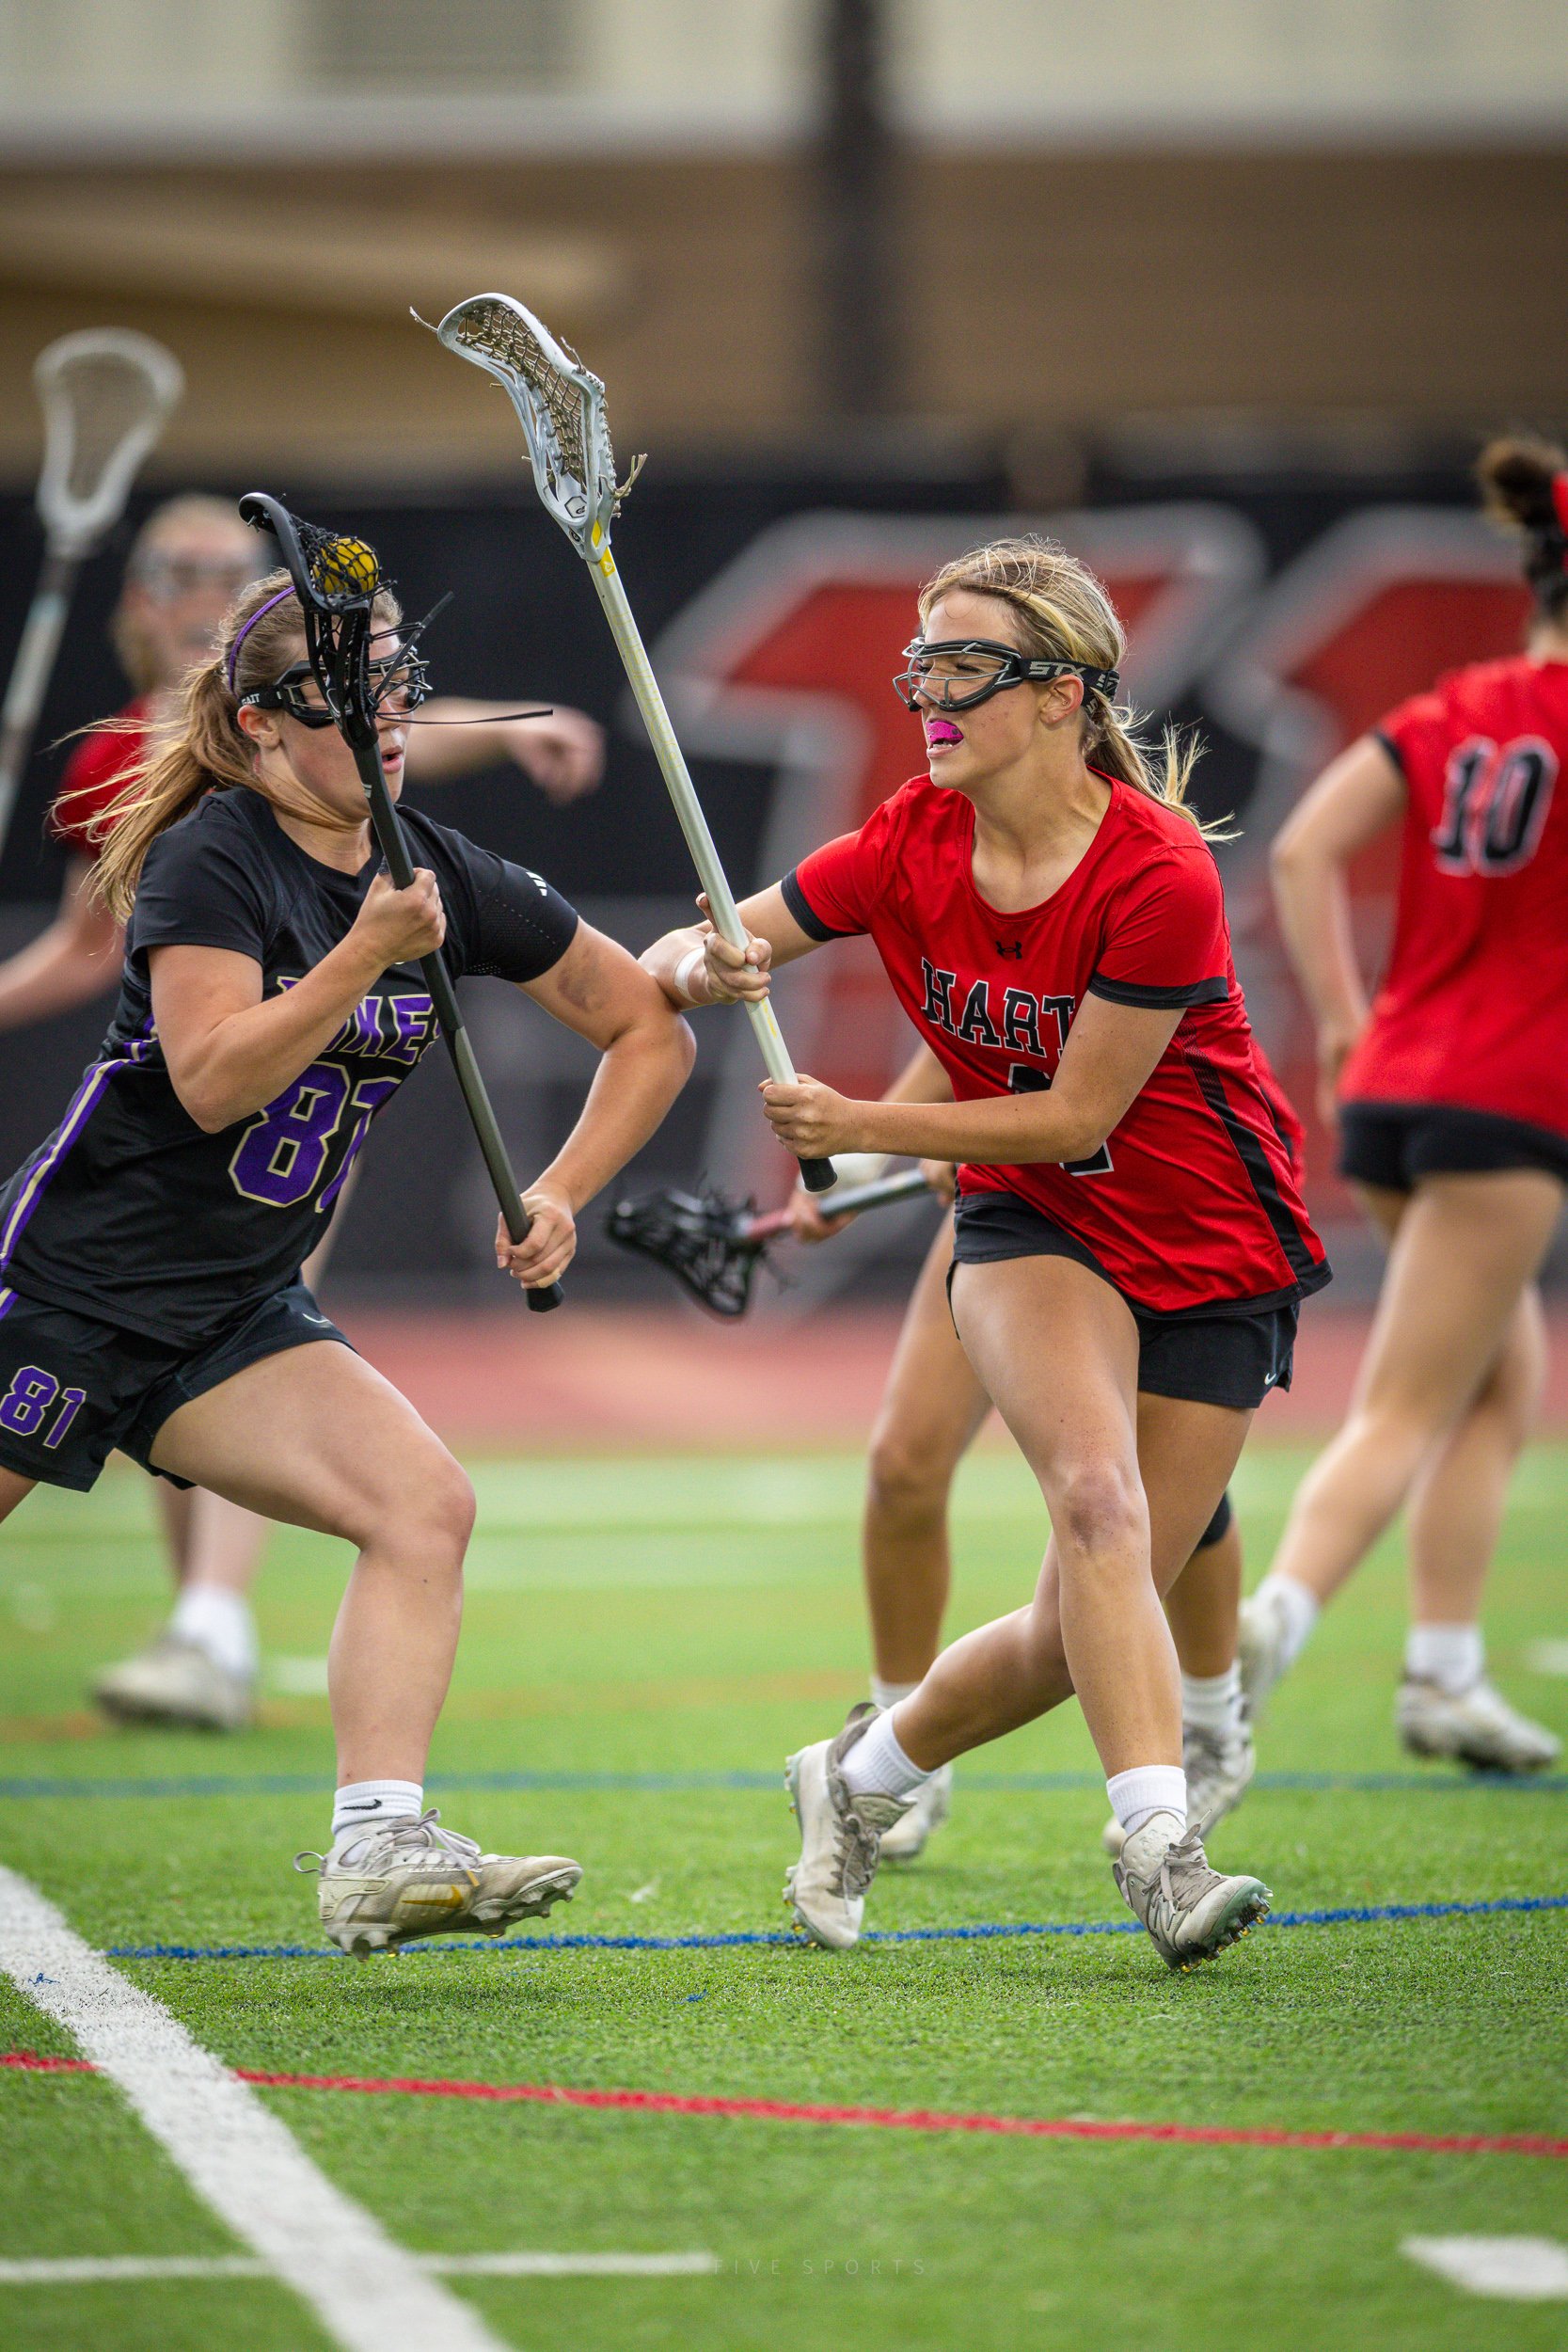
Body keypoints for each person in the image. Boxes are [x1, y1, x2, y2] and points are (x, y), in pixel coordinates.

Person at [645, 534, 1329, 1971]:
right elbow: (691, 953)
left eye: (962, 667)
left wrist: (858, 1127)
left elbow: (1078, 1113)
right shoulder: (901, 839)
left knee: (1070, 1623)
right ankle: (1158, 1848)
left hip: (1209, 1236)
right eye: (920, 666)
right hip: (1035, 1224)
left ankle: (858, 1776)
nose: (927, 699)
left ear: (1063, 693)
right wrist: (705, 963)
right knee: (1095, 1504)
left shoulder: (1156, 872)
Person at [0, 567, 692, 1953]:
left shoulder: (436, 869)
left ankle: (377, 1844)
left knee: (422, 1506)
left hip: (232, 1310)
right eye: (344, 697)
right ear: (261, 723)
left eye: (396, 688)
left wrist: (560, 1189)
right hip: (74, 1283)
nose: (384, 721)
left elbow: (645, 1029)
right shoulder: (212, 857)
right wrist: (360, 956)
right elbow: (210, 1082)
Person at [1241, 437, 1568, 1773]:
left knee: (1498, 1379)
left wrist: (1339, 1019)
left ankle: (1441, 1672)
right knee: (1406, 1405)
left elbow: (1302, 846)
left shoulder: (1455, 707)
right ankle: (1269, 1622)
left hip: (1389, 1087)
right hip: (1510, 1100)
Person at [790, 1038, 1304, 1865]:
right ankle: (887, 1758)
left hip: (1175, 1189)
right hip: (1025, 1200)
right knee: (904, 1463)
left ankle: (1211, 1723)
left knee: (1142, 1494)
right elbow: (965, 1009)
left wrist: (906, 1131)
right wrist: (864, 1163)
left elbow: (1076, 1103)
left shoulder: (1148, 946)